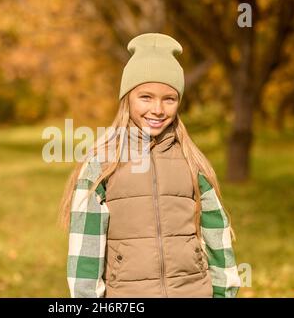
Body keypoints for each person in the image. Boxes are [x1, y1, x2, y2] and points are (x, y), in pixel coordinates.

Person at [59, 33, 241, 298]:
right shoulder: (102, 165)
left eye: (169, 99)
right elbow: (84, 253)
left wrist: (225, 293)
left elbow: (218, 238)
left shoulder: (193, 162)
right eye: (146, 97)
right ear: (127, 99)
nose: (158, 109)